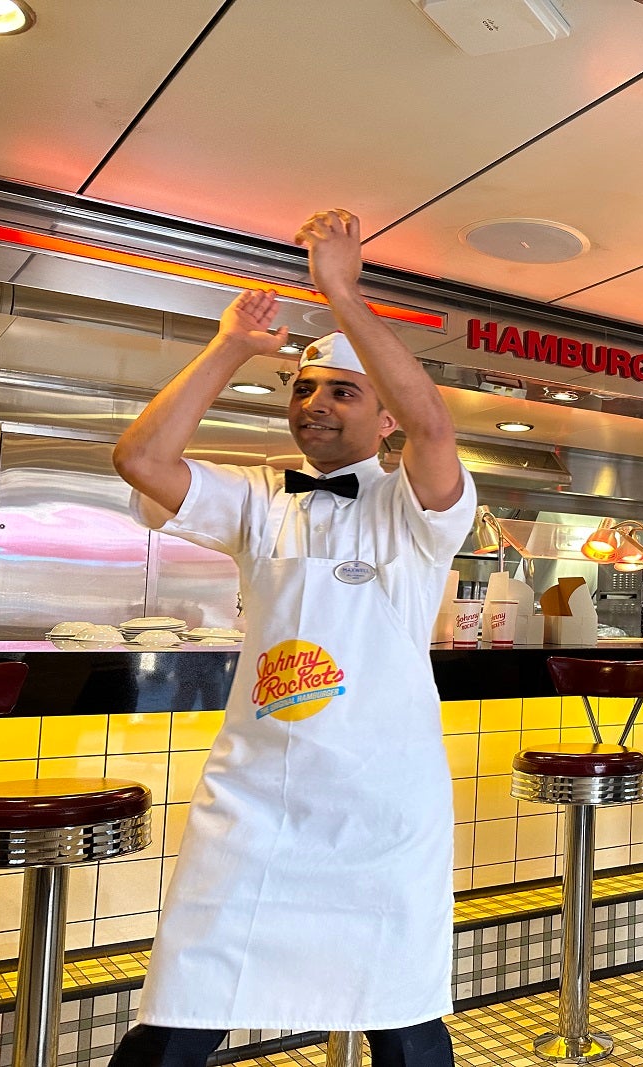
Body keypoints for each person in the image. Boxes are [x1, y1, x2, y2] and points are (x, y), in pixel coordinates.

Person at [107, 209, 474, 1067]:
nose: (314, 405)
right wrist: (230, 345)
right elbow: (141, 458)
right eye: (304, 389)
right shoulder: (258, 501)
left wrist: (339, 290)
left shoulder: (416, 511)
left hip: (380, 810)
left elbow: (436, 429)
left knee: (404, 1020)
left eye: (342, 391)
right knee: (179, 1011)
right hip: (254, 808)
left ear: (382, 418)